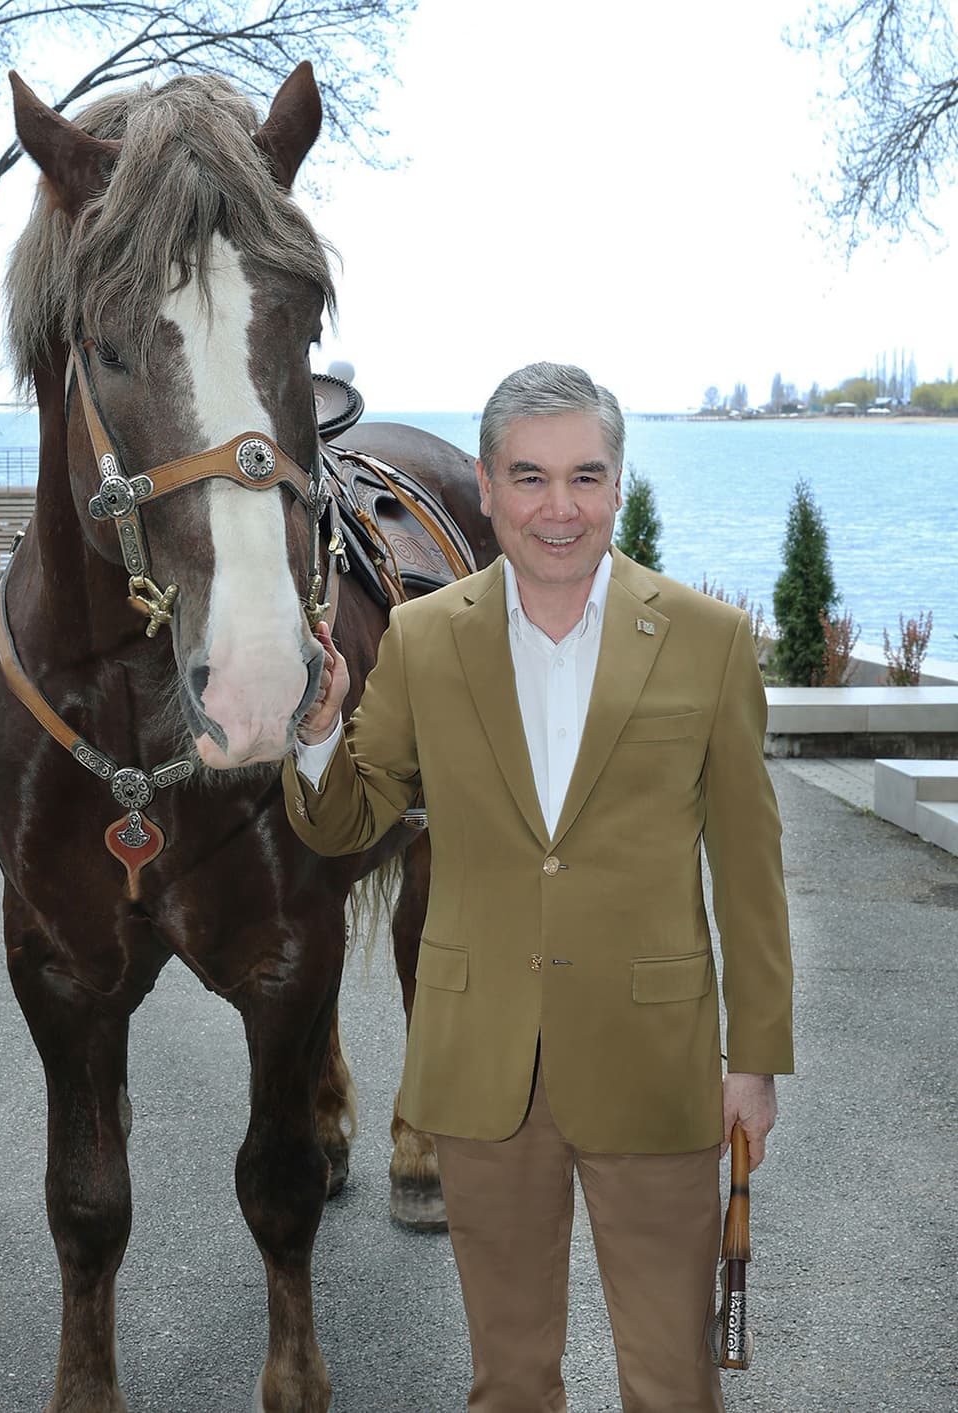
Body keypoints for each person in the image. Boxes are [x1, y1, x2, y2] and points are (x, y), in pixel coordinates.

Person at [284, 362, 794, 1413]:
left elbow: (749, 868)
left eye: (585, 477)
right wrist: (325, 725)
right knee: (508, 1383)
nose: (558, 509)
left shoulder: (708, 640)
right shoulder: (425, 640)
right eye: (528, 477)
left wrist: (757, 1059)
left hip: (659, 1067)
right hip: (483, 1071)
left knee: (673, 1380)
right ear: (484, 486)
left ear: (617, 485)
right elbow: (348, 819)